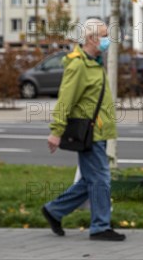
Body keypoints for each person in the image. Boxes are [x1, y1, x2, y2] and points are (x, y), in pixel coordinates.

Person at [42, 19, 126, 242]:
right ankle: (100, 226)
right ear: (91, 38)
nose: (108, 39)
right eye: (104, 35)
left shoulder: (94, 62)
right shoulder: (78, 65)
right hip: (89, 132)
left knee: (90, 180)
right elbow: (65, 100)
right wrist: (56, 131)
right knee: (100, 180)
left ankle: (54, 210)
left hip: (98, 131)